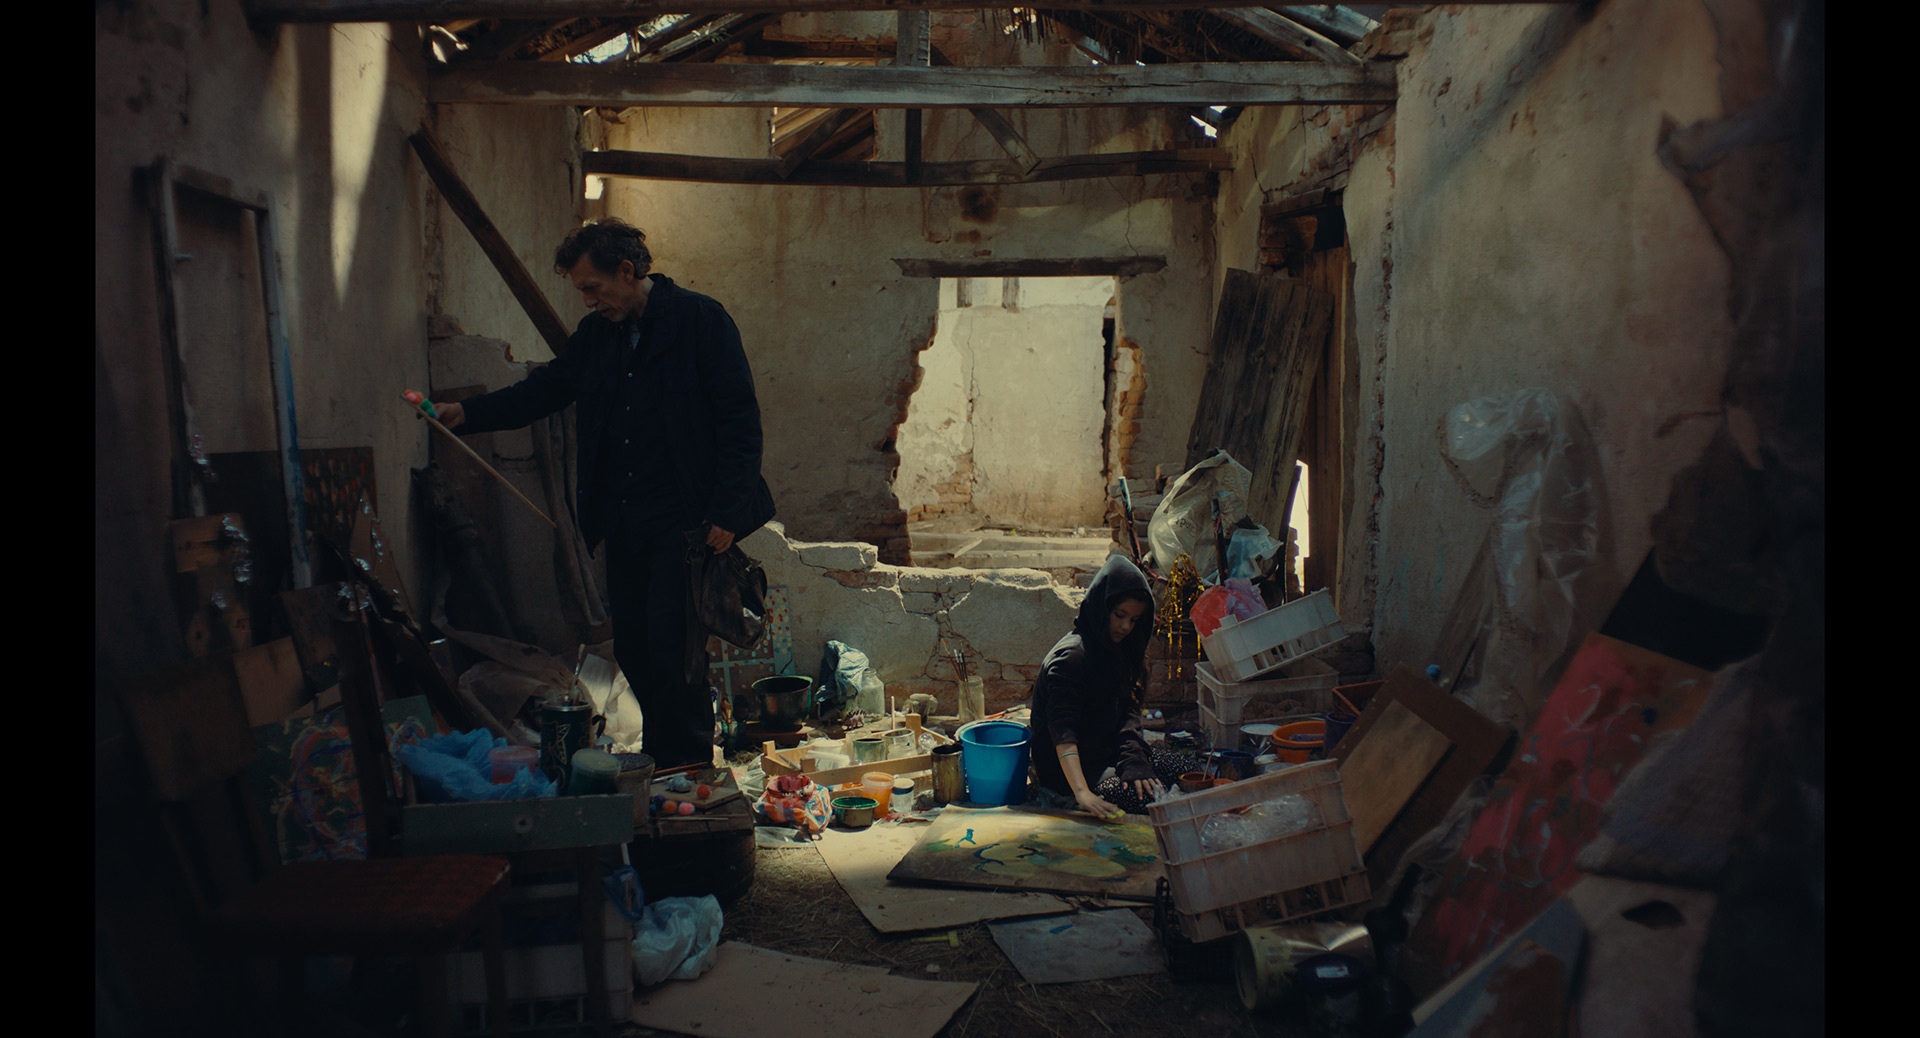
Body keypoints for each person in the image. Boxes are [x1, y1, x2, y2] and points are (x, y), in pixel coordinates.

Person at [435, 218, 774, 772]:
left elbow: (740, 421)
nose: (589, 301)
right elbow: (543, 391)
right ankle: (662, 758)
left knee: (675, 651)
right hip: (623, 522)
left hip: (685, 523)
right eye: (582, 291)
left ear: (627, 271)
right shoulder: (597, 337)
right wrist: (466, 413)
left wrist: (727, 511)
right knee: (635, 648)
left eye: (593, 287)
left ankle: (687, 766)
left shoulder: (700, 321)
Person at [1030, 555, 1168, 818]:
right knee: (1146, 799)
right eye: (1120, 615)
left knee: (1182, 771)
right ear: (1102, 607)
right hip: (1070, 774)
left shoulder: (1119, 651)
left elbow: (1128, 714)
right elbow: (1063, 732)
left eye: (1134, 620)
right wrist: (1082, 793)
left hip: (1105, 755)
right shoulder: (1072, 658)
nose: (1126, 627)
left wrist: (1134, 762)